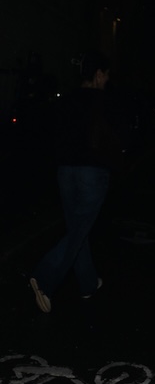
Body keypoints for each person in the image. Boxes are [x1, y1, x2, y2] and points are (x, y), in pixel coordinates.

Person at [28, 51, 125, 313]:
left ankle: (88, 282)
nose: (107, 80)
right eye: (106, 75)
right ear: (98, 74)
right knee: (79, 230)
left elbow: (53, 134)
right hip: (92, 172)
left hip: (65, 172)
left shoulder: (67, 100)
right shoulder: (105, 102)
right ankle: (44, 276)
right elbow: (116, 139)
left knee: (78, 227)